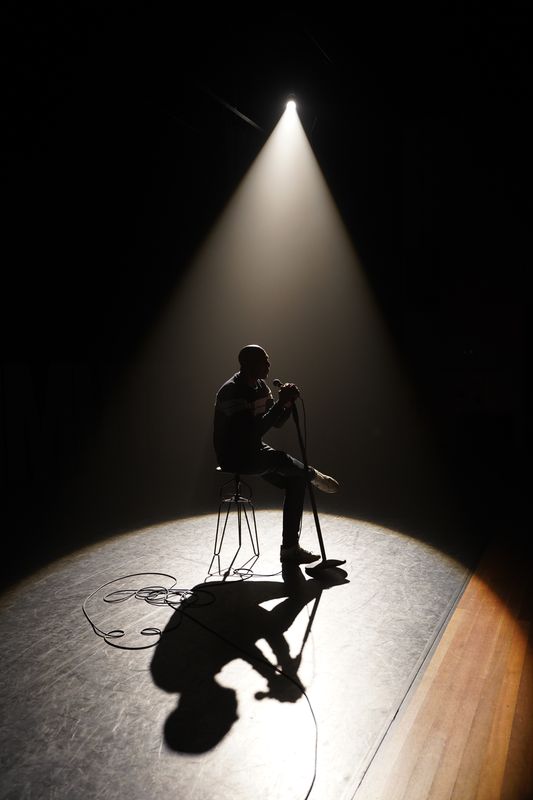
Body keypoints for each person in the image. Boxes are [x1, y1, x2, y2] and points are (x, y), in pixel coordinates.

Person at [213, 344, 339, 564]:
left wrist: (287, 404)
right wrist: (280, 403)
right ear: (248, 364)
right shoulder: (231, 390)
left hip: (254, 450)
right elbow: (254, 430)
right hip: (234, 455)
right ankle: (314, 475)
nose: (269, 365)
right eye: (264, 361)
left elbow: (277, 422)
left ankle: (289, 549)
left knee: (296, 481)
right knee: (281, 459)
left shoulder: (261, 387)